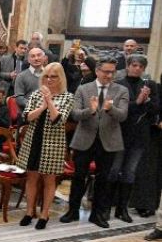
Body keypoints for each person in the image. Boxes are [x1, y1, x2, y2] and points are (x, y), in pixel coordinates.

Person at [61, 58, 128, 228]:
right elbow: (75, 114)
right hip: (84, 139)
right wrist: (89, 111)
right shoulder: (83, 89)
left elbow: (123, 116)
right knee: (78, 177)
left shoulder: (121, 90)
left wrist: (110, 108)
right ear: (97, 71)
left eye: (112, 72)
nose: (109, 75)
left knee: (103, 179)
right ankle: (72, 211)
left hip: (109, 142)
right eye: (106, 71)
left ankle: (97, 214)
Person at [13, 64, 74, 229]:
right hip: (33, 140)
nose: (49, 80)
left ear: (60, 78)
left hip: (52, 144)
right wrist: (42, 106)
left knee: (49, 180)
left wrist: (49, 101)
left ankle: (45, 213)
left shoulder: (67, 97)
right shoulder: (35, 94)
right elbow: (27, 117)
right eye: (46, 76)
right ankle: (29, 211)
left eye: (53, 76)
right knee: (31, 177)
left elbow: (58, 120)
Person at [110, 55, 159, 223]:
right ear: (128, 66)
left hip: (139, 136)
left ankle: (122, 209)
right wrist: (137, 102)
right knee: (114, 170)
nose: (137, 68)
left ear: (144, 69)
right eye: (134, 65)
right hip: (120, 134)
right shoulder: (118, 84)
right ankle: (106, 206)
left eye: (140, 66)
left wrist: (147, 101)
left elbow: (155, 109)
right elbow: (117, 109)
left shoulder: (149, 85)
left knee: (130, 172)